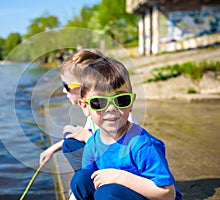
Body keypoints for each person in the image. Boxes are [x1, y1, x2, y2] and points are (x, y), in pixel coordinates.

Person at [70, 57, 182, 199]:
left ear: (131, 103)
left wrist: (119, 177)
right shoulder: (92, 145)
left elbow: (168, 193)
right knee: (81, 179)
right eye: (99, 102)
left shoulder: (142, 145)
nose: (111, 108)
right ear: (85, 106)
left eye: (121, 99)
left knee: (107, 193)